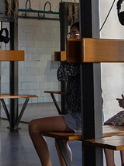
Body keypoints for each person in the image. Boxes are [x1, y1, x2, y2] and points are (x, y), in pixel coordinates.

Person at [29, 23, 82, 166]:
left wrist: (69, 58)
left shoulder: (80, 57)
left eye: (74, 33)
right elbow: (60, 74)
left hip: (80, 118)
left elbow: (63, 73)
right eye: (70, 34)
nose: (71, 37)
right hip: (78, 115)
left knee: (34, 126)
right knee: (60, 141)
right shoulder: (76, 57)